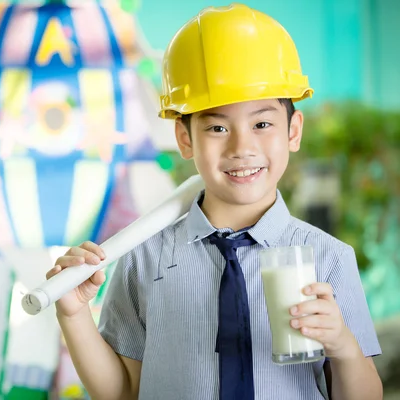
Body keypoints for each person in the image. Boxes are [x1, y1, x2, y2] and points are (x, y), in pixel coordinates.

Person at [46, 4, 383, 399]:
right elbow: (123, 392)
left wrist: (342, 345)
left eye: (262, 124)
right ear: (185, 138)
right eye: (218, 127)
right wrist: (73, 314)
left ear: (293, 130)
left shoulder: (328, 259)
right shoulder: (144, 258)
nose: (242, 147)